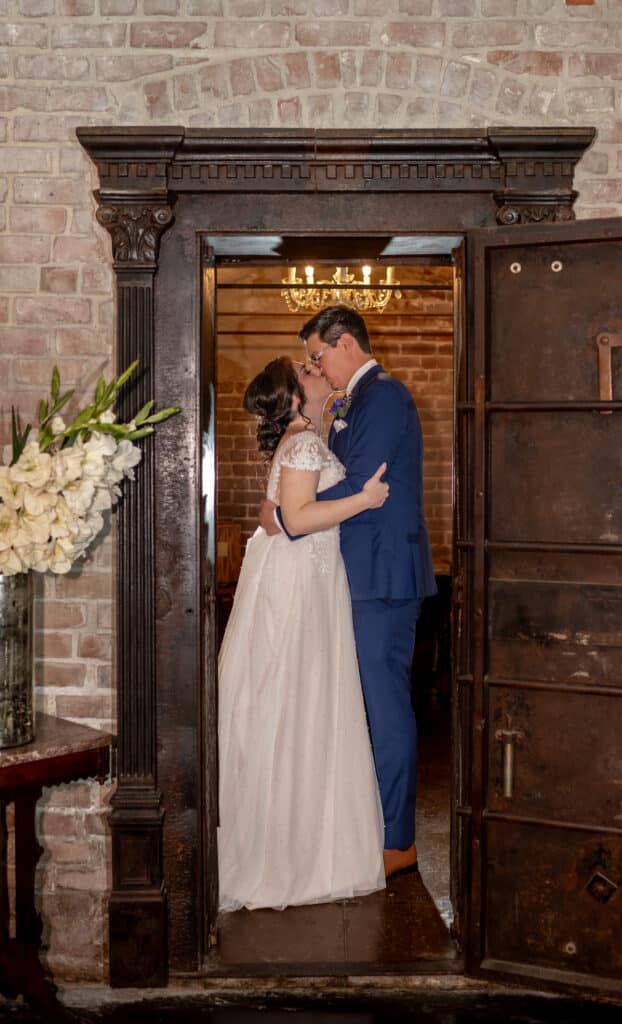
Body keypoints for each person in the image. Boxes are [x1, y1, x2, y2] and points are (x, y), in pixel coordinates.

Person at [262, 307, 436, 880]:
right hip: (353, 573)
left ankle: (398, 841)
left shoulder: (383, 396)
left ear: (342, 344)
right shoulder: (349, 405)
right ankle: (367, 827)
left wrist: (288, 514)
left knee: (385, 708)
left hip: (381, 576)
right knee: (358, 705)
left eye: (317, 355)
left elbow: (362, 485)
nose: (317, 366)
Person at [217, 357, 389, 911]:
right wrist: (363, 499)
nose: (317, 371)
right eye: (306, 371)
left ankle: (300, 844)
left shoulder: (303, 440)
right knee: (298, 699)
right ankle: (292, 856)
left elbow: (278, 512)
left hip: (305, 578)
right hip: (300, 585)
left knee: (297, 701)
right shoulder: (303, 444)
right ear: (294, 395)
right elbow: (294, 518)